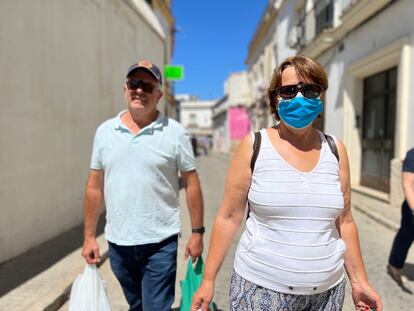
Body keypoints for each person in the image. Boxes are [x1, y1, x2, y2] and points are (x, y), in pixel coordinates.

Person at [191, 55, 382, 311]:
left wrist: (359, 281)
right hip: (260, 292)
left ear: (321, 97)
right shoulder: (254, 146)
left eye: (310, 89)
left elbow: (344, 221)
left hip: (327, 296)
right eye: (290, 91)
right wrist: (209, 280)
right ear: (275, 99)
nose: (300, 98)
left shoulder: (336, 149)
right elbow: (229, 217)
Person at [81, 60, 205, 311]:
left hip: (160, 243)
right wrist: (89, 237)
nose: (139, 90)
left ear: (158, 94)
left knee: (156, 307)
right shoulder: (105, 132)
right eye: (134, 84)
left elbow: (191, 184)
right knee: (136, 305)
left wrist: (197, 233)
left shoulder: (175, 133)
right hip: (118, 244)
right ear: (125, 89)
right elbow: (95, 187)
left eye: (147, 86)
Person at [388, 147, 414, 288]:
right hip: (412, 206)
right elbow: (408, 185)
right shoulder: (412, 155)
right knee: (406, 236)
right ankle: (394, 264)